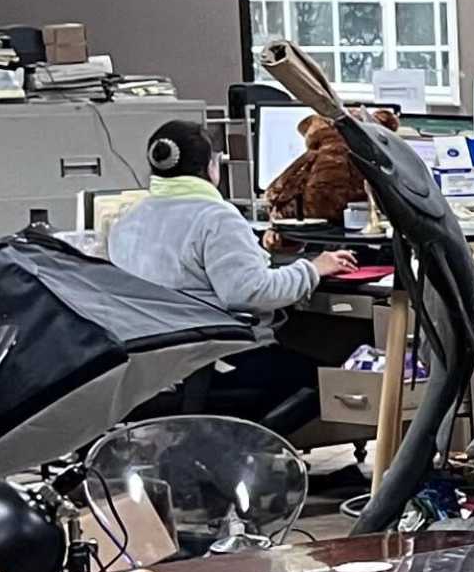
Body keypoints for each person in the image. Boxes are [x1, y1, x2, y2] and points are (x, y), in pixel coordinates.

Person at [106, 119, 357, 427]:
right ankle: (244, 453)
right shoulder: (215, 217)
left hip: (156, 369)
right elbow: (251, 292)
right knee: (329, 379)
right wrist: (314, 268)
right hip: (213, 360)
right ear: (211, 167)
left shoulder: (129, 219)